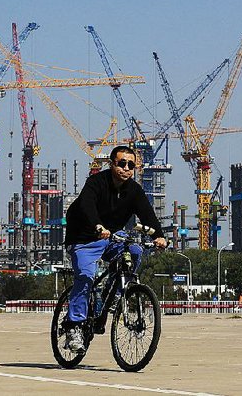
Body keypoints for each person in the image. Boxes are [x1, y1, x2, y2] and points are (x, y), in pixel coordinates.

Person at [62, 145, 167, 352]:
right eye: (121, 163)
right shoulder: (96, 182)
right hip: (84, 238)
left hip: (111, 238)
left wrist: (159, 235)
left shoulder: (134, 190)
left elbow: (147, 214)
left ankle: (115, 293)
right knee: (86, 276)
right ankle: (73, 326)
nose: (126, 168)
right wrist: (97, 226)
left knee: (135, 251)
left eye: (131, 165)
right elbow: (86, 205)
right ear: (112, 164)